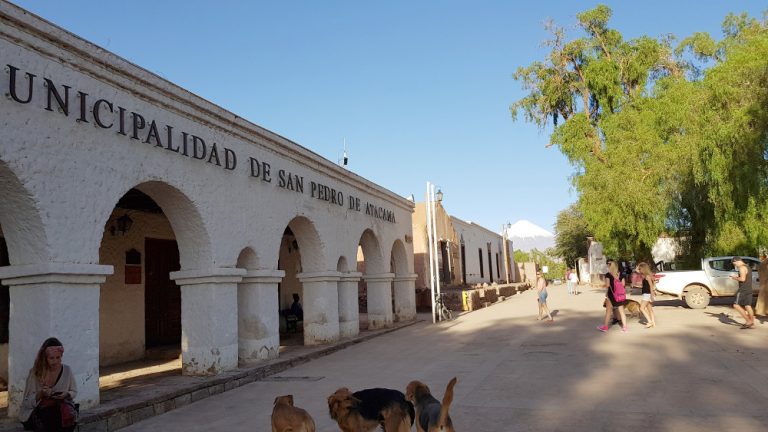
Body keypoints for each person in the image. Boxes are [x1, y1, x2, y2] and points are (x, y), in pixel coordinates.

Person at [20, 337, 78, 432]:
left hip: (59, 409)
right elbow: (26, 403)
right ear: (45, 358)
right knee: (51, 416)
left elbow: (74, 391)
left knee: (68, 417)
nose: (55, 361)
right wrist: (40, 394)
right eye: (51, 358)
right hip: (37, 413)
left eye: (58, 357)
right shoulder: (35, 373)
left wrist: (67, 394)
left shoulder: (67, 370)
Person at [598, 261, 628, 332]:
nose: (607, 266)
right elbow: (623, 284)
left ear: (610, 266)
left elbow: (608, 285)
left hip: (611, 295)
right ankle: (625, 327)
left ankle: (605, 327)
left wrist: (604, 285)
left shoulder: (608, 275)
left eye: (608, 265)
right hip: (620, 295)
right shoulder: (620, 274)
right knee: (622, 312)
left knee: (608, 311)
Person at [730, 256, 755, 329]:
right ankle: (752, 322)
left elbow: (743, 279)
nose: (735, 265)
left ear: (736, 261)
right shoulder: (747, 267)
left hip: (743, 289)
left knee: (736, 305)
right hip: (749, 288)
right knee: (747, 305)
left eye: (734, 264)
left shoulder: (741, 268)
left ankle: (748, 321)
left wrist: (734, 278)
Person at [636, 262, 657, 328]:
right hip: (647, 294)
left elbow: (651, 286)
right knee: (650, 309)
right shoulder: (645, 275)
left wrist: (652, 295)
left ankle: (649, 322)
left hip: (647, 294)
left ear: (643, 269)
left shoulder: (647, 276)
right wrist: (639, 266)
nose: (639, 270)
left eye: (640, 269)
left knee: (641, 308)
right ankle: (653, 323)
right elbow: (636, 271)